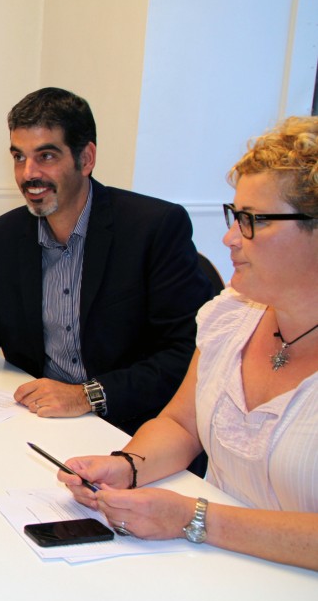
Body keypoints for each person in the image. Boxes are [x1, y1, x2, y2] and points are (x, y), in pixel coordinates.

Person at [0, 88, 214, 434]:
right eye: (19, 157)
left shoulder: (153, 228)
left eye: (46, 156)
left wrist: (86, 396)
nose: (28, 173)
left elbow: (186, 353)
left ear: (86, 158)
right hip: (40, 422)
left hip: (133, 425)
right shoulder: (2, 237)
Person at [59, 117, 318, 570]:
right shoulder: (231, 315)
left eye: (252, 221)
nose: (229, 238)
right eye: (234, 216)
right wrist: (127, 466)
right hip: (210, 565)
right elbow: (182, 424)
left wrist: (193, 519)